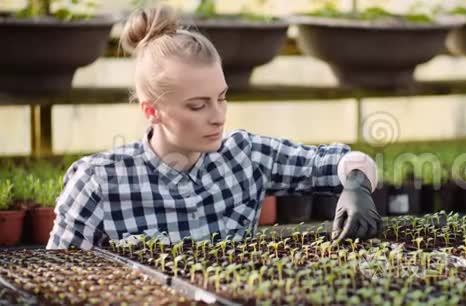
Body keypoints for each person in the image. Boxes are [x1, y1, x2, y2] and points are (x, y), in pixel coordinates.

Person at [46, 5, 381, 250]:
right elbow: (55, 282)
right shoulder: (100, 182)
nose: (218, 116)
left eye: (222, 98)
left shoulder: (245, 157)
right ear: (152, 110)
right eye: (198, 105)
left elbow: (349, 161)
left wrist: (355, 185)